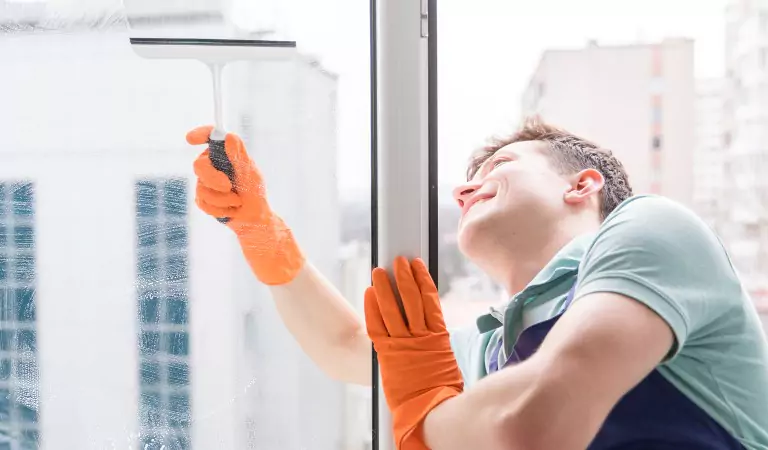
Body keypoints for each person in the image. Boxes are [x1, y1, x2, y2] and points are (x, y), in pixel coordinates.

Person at [187, 117, 768, 450]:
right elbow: (344, 347)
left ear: (582, 185)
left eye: (499, 168)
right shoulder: (492, 348)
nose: (465, 191)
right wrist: (259, 230)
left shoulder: (652, 231)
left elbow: (533, 423)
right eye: (466, 183)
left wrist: (426, 408)